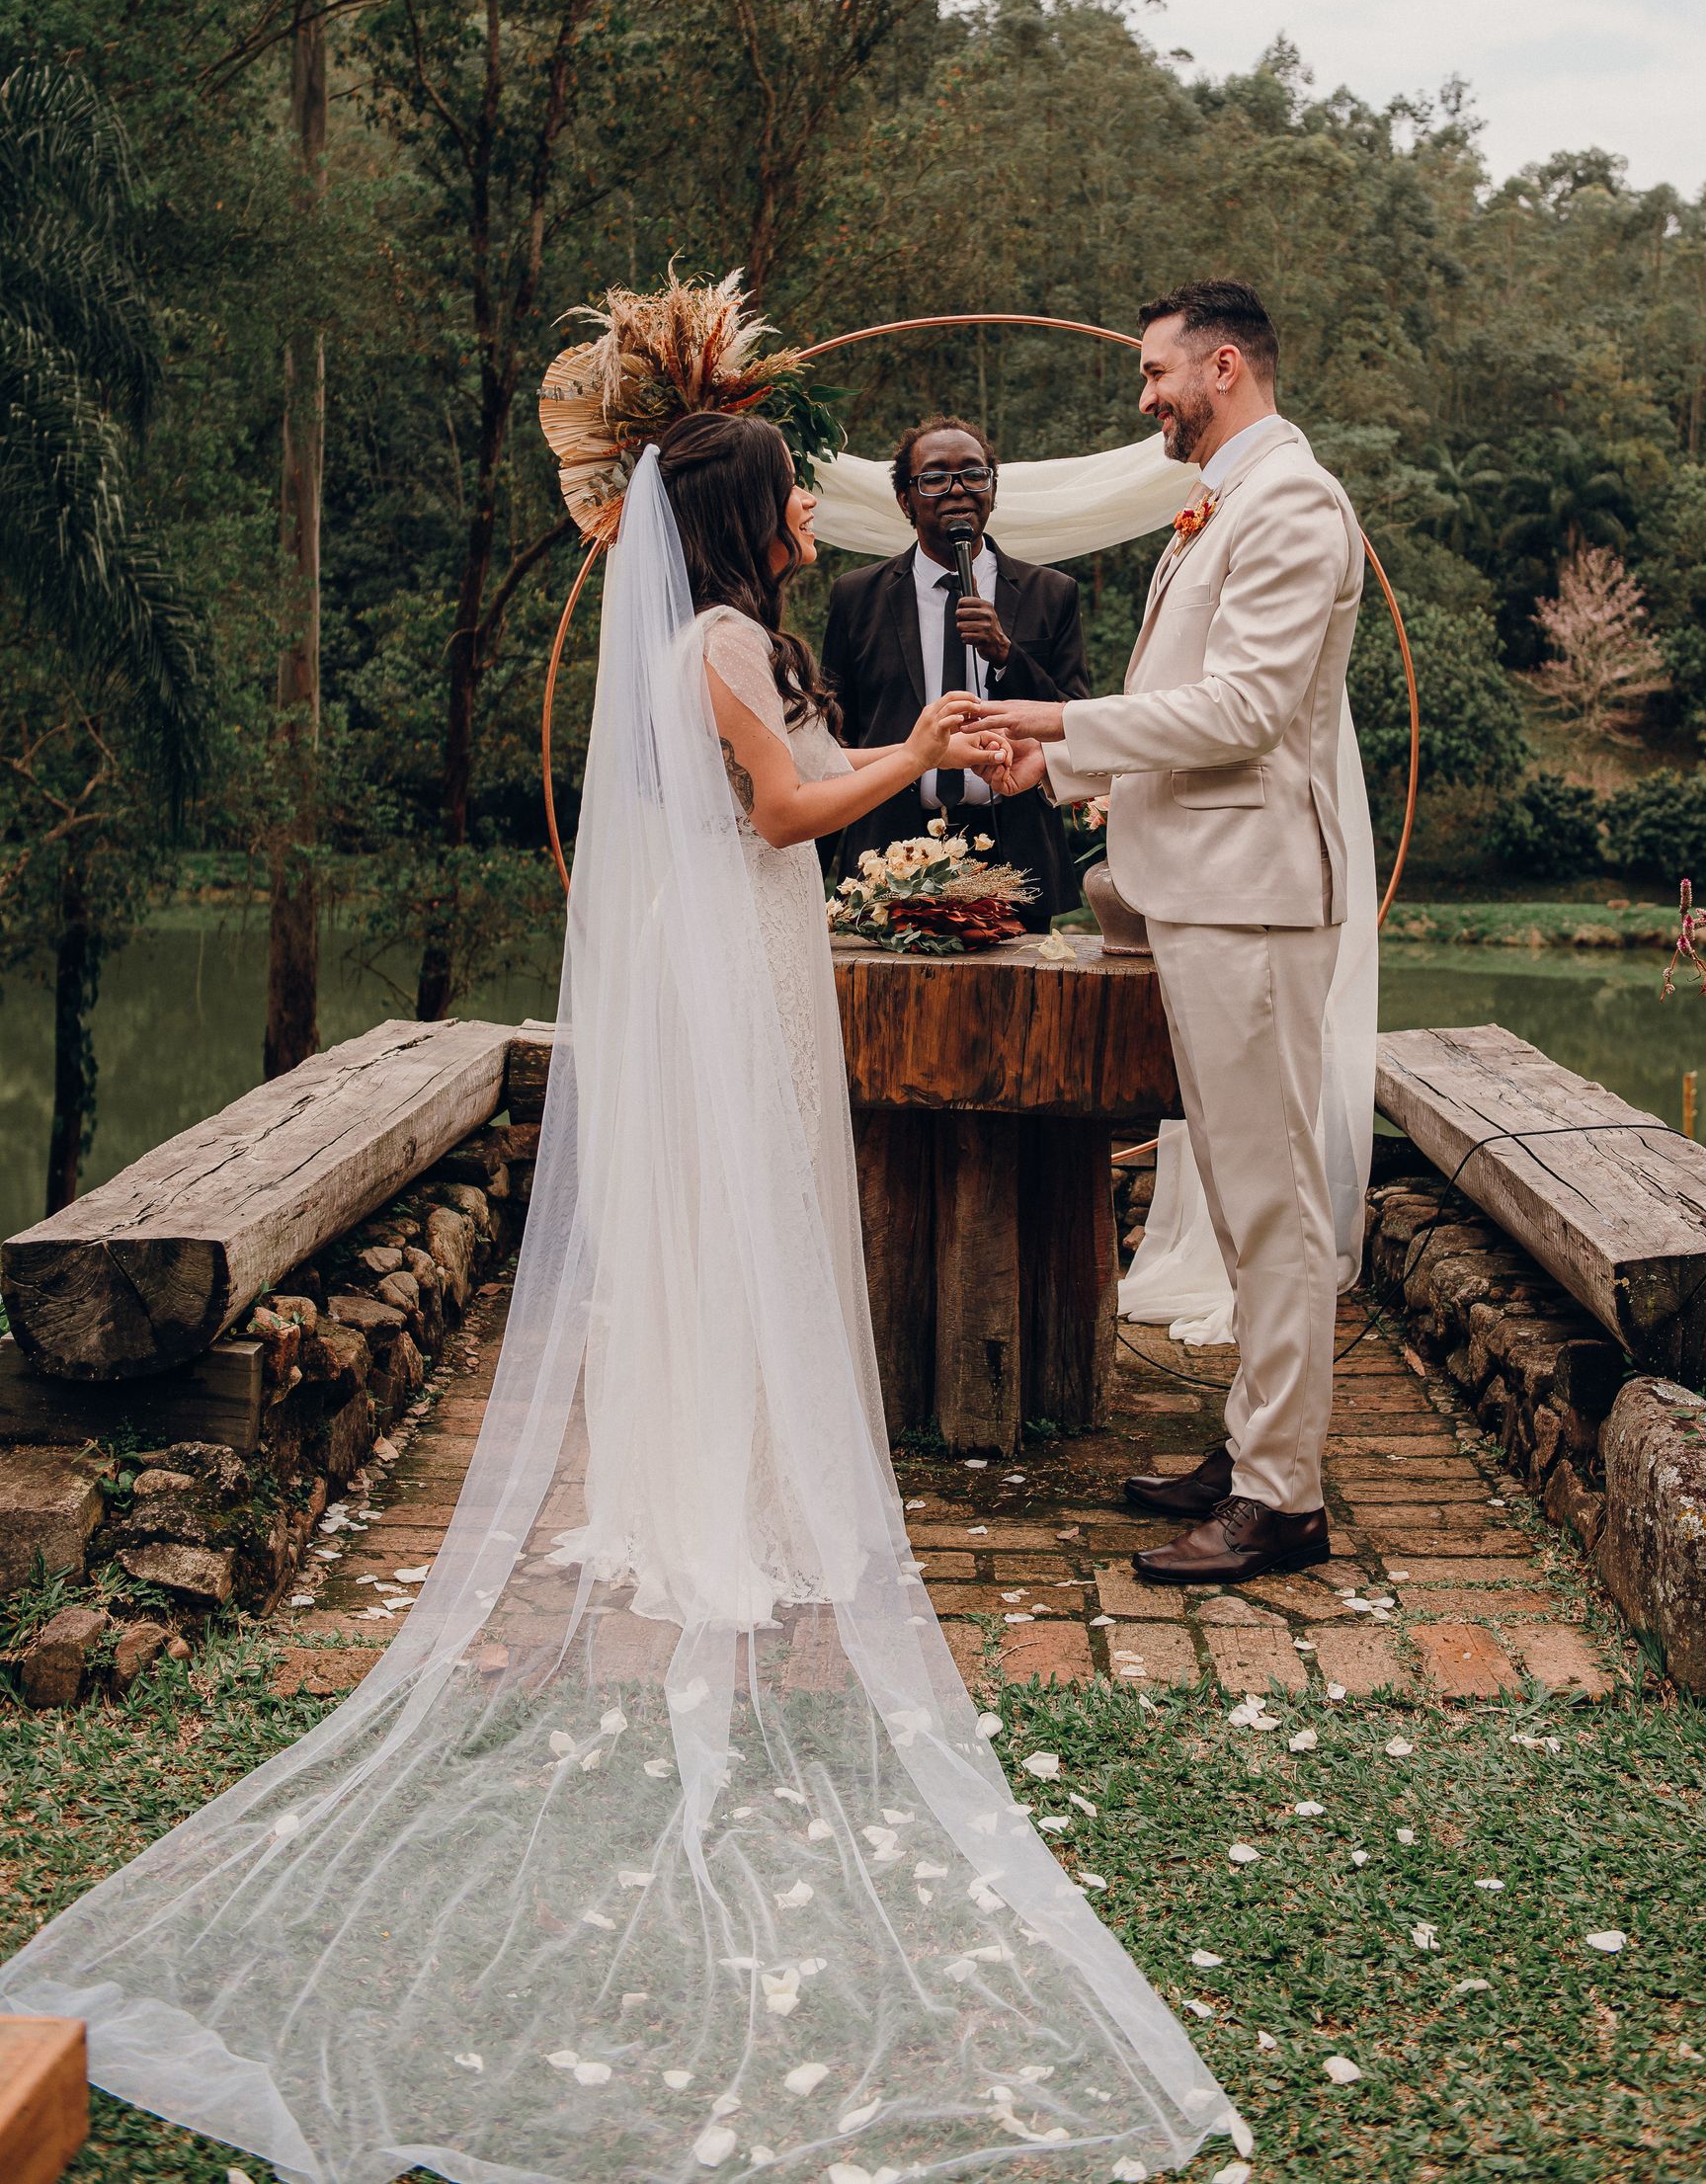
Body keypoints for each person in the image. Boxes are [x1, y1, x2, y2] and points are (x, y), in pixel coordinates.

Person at [0, 398, 1236, 2184]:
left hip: (741, 951)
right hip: (737, 964)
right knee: (744, 1222)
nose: (822, 509)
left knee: (748, 1227)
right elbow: (788, 806)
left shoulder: (722, 631)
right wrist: (925, 751)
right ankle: (711, 1503)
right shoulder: (725, 640)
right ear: (747, 518)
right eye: (794, 490)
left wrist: (917, 741)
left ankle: (705, 1476)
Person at [979, 281, 1368, 1588]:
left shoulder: (1294, 505)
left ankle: (1282, 1497)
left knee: (1273, 1205)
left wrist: (1055, 728)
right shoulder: (1224, 503)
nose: (1143, 396)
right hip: (1204, 892)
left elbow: (1245, 709)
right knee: (1249, 1195)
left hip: (1251, 900)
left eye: (1155, 374)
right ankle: (1256, 1447)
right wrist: (1067, 774)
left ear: (1223, 368)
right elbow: (1178, 702)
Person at [822, 418, 1090, 925]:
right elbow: (836, 736)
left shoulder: (1050, 592)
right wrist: (812, 869)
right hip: (888, 850)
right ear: (905, 499)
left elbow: (1073, 718)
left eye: (974, 474)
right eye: (934, 477)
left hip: (1013, 850)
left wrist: (1007, 654)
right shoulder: (857, 596)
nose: (957, 489)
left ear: (992, 488)